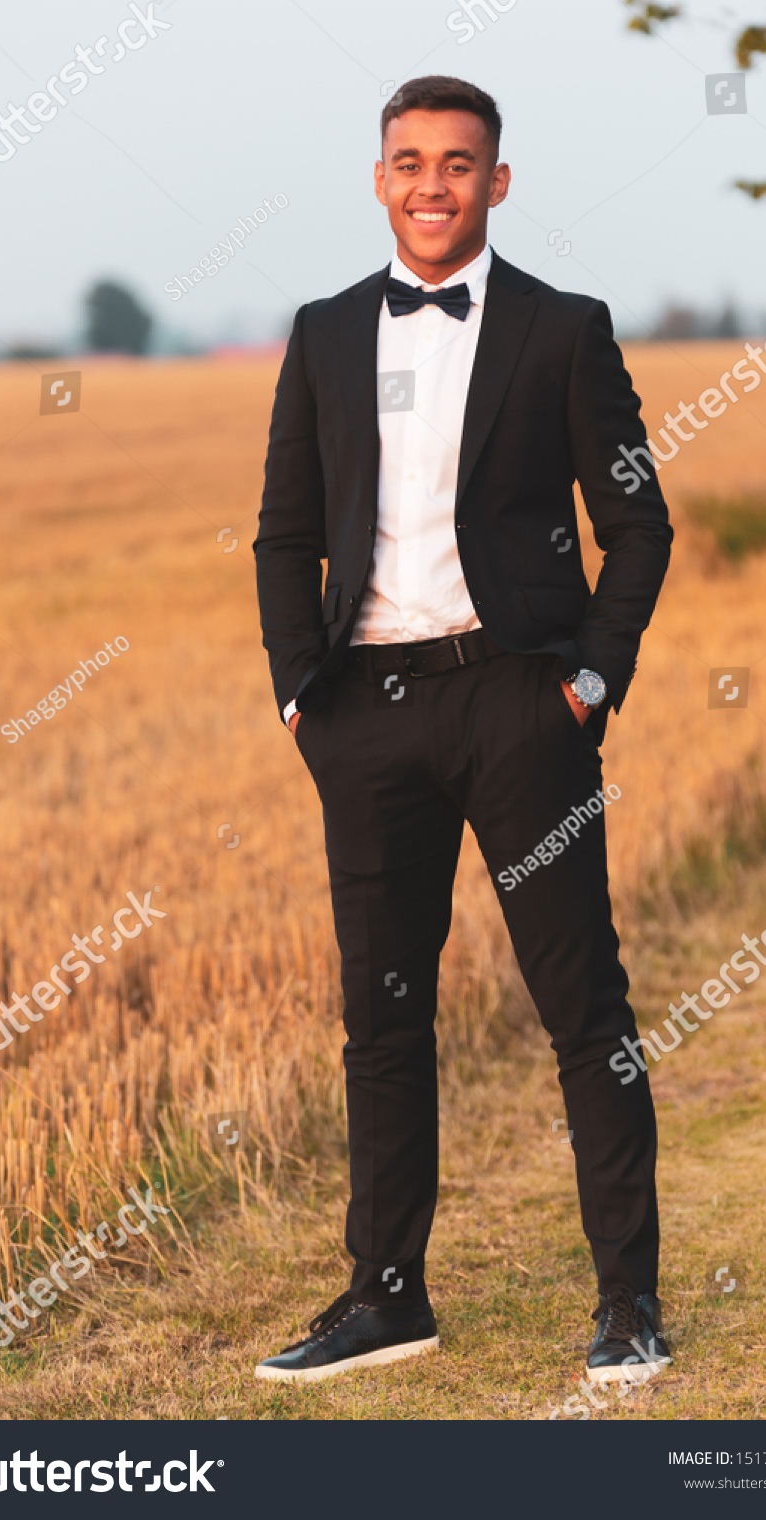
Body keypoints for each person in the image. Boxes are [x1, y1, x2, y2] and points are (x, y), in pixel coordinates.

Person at [253, 76, 673, 1386]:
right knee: (380, 1020)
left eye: (457, 164)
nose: (430, 184)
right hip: (363, 716)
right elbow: (285, 532)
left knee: (578, 1005)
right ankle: (386, 1297)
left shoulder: (561, 329)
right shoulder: (322, 333)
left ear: (496, 182)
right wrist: (297, 695)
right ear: (378, 177)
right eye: (408, 161)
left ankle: (627, 1306)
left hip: (518, 705)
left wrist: (586, 687)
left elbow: (637, 523)